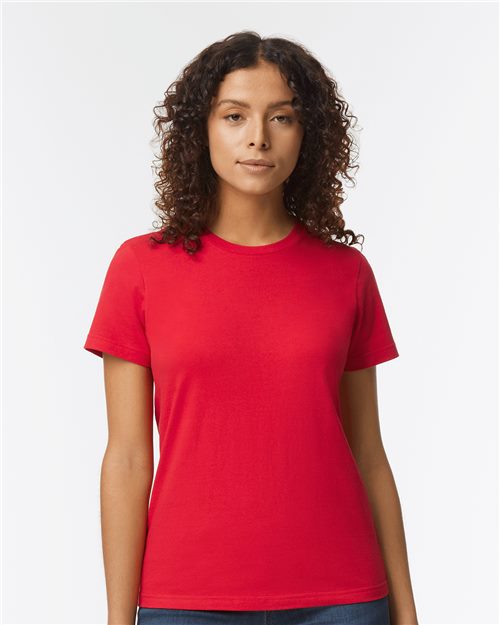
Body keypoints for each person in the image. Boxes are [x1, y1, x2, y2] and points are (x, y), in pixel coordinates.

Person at [84, 31, 418, 625]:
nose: (258, 137)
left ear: (307, 134)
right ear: (201, 131)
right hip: (185, 598)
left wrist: (408, 612)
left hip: (343, 594)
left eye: (282, 117)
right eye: (234, 116)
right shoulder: (140, 267)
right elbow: (129, 458)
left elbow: (369, 453)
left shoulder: (346, 274)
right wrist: (117, 618)